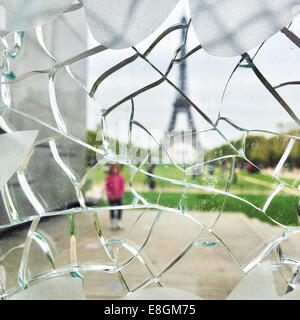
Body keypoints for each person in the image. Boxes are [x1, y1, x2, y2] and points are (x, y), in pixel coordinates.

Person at [105, 164, 125, 230]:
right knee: (112, 209)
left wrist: (120, 194)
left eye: (116, 168)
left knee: (119, 209)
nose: (115, 170)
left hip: (119, 197)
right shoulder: (109, 177)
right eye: (113, 168)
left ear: (118, 169)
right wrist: (110, 195)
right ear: (111, 169)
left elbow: (122, 186)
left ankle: (119, 222)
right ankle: (113, 222)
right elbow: (107, 187)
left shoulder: (120, 177)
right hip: (112, 197)